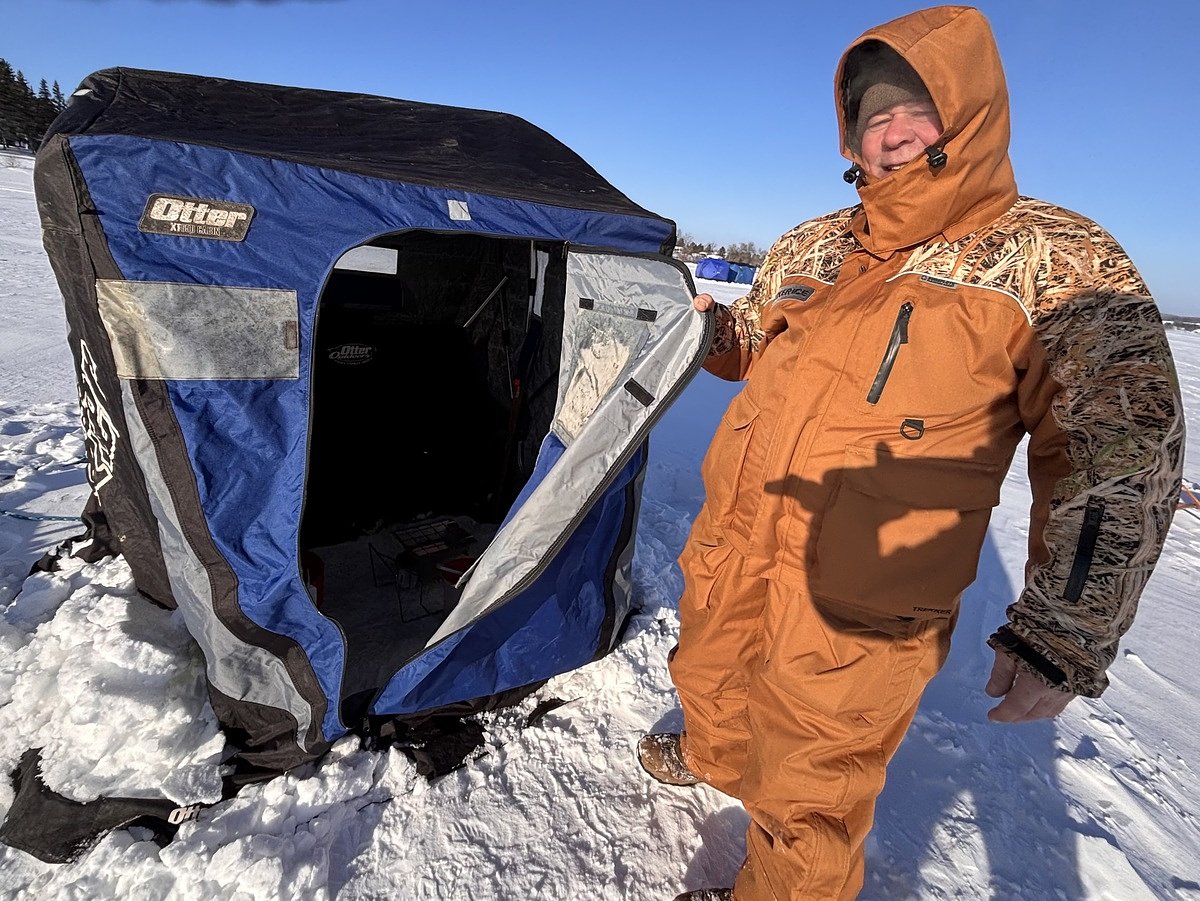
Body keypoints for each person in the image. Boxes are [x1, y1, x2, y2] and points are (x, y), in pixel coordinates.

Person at [637, 5, 1185, 900]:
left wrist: (1066, 628)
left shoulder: (1051, 256)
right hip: (738, 540)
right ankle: (711, 755)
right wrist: (701, 331)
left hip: (862, 598)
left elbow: (1122, 450)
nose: (890, 131)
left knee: (811, 786)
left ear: (967, 112)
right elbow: (750, 341)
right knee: (706, 668)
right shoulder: (813, 241)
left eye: (913, 110)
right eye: (870, 116)